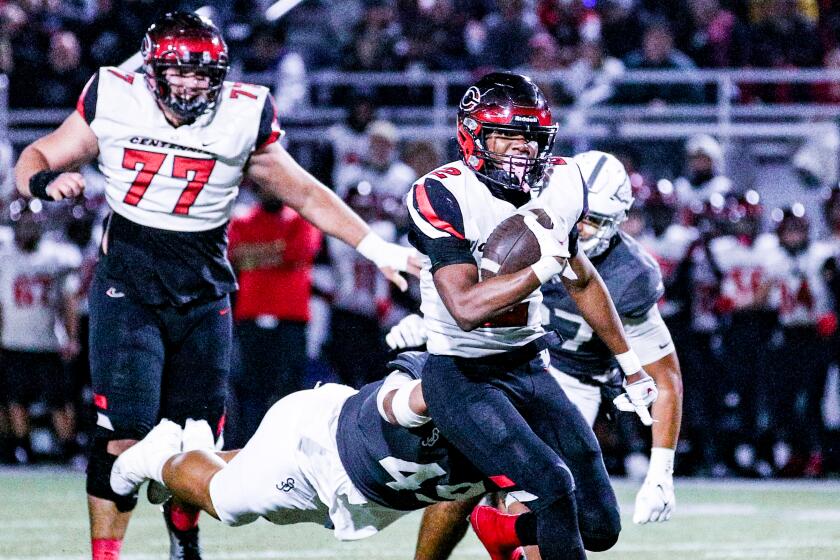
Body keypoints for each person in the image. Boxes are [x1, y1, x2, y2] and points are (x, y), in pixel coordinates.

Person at [13, 12, 417, 560]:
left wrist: (374, 245)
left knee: (197, 437)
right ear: (153, 70)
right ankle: (105, 555)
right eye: (177, 73)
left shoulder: (243, 112)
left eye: (201, 75)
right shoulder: (114, 95)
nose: (188, 85)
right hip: (128, 286)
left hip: (204, 291)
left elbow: (302, 190)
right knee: (124, 436)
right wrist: (44, 181)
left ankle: (185, 538)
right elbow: (34, 154)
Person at [404, 72, 658, 560]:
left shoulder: (560, 181)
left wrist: (630, 365)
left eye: (530, 137)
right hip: (463, 374)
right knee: (553, 486)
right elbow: (466, 308)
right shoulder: (442, 194)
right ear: (472, 135)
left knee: (600, 526)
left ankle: (498, 531)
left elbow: (581, 278)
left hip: (528, 365)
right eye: (506, 136)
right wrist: (542, 265)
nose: (521, 149)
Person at [108, 352, 609, 547]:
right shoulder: (442, 381)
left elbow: (534, 524)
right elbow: (399, 402)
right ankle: (156, 454)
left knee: (244, 483)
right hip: (316, 450)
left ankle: (197, 442)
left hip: (368, 493)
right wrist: (429, 397)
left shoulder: (528, 436)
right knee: (228, 504)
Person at [0, 206, 82, 463]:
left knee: (59, 400)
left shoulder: (56, 257)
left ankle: (68, 447)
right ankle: (22, 446)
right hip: (13, 339)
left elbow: (68, 301)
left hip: (48, 341)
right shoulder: (5, 257)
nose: (28, 228)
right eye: (23, 224)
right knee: (14, 398)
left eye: (32, 223)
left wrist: (71, 337)